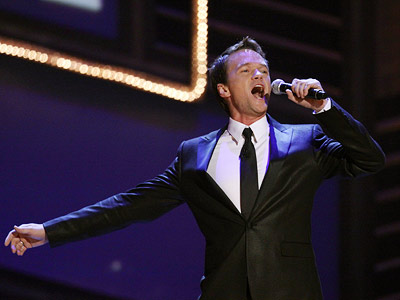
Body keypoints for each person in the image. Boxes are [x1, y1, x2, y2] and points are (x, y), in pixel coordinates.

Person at [4, 37, 385, 300]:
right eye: (247, 71)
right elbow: (128, 206)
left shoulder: (307, 140)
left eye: (264, 71)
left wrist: (325, 110)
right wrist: (49, 231)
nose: (260, 77)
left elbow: (370, 158)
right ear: (223, 89)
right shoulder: (194, 157)